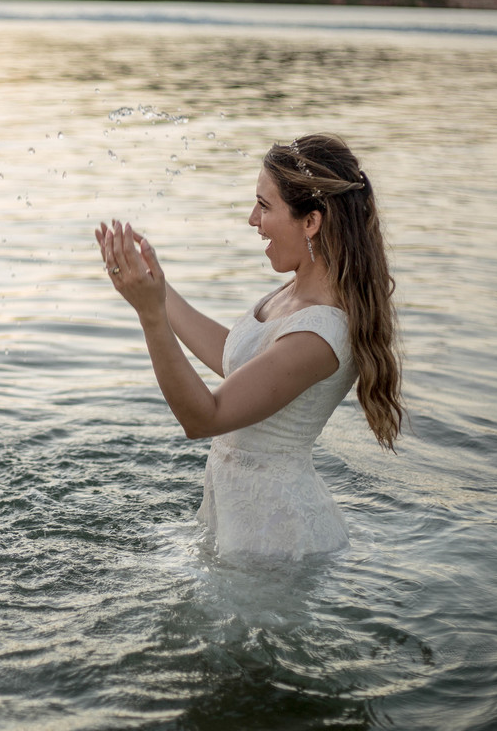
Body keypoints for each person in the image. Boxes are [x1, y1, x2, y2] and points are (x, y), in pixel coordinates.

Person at [95, 134, 402, 559]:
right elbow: (239, 362)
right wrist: (156, 290)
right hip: (241, 518)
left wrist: (150, 315)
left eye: (264, 205)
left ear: (311, 221)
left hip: (275, 537)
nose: (252, 219)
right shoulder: (294, 294)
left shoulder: (320, 333)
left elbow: (204, 418)